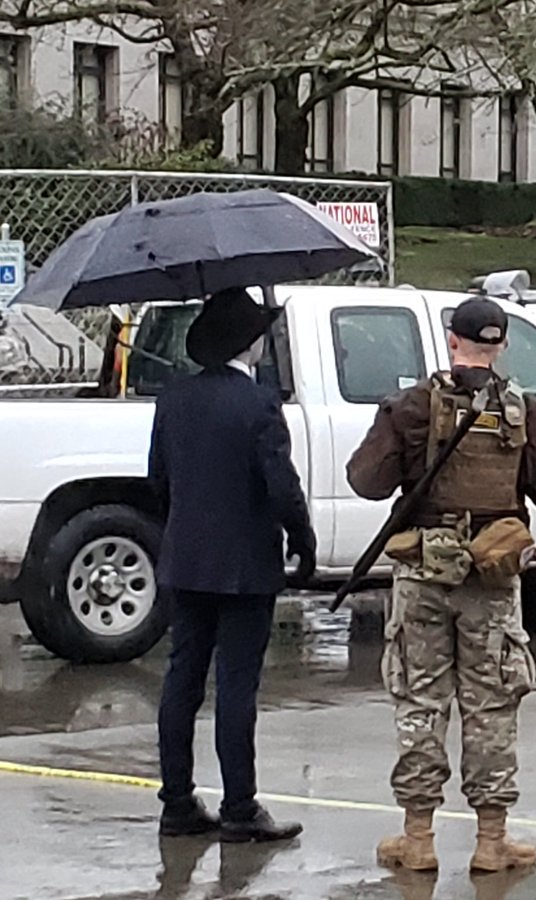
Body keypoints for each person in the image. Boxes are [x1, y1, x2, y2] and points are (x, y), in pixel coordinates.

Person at [346, 297, 536, 873]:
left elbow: (365, 481)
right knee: (493, 706)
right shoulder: (526, 413)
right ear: (501, 346)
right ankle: (491, 840)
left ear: (452, 341)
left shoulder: (410, 408)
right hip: (492, 581)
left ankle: (419, 837)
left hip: (422, 580)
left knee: (420, 703)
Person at [151, 287, 316, 842]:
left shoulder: (173, 397)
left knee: (182, 679)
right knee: (236, 686)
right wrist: (303, 537)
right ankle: (240, 808)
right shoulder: (258, 403)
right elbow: (280, 485)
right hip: (245, 565)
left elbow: (159, 480)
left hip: (185, 559)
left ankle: (177, 803)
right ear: (248, 345)